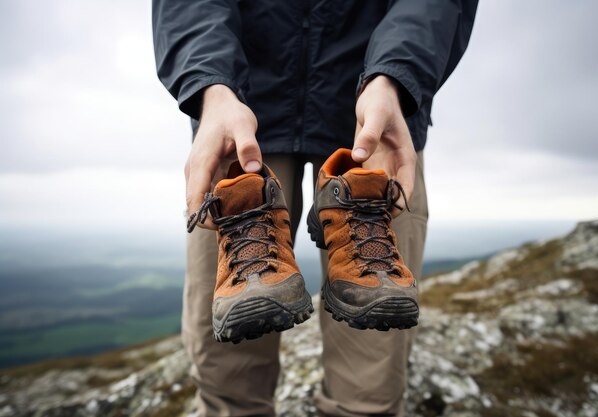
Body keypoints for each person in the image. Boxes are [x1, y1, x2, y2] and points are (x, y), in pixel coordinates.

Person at [152, 1, 478, 415]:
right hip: (241, 117)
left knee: (371, 385)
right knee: (226, 372)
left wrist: (394, 76)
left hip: (373, 120)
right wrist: (211, 86)